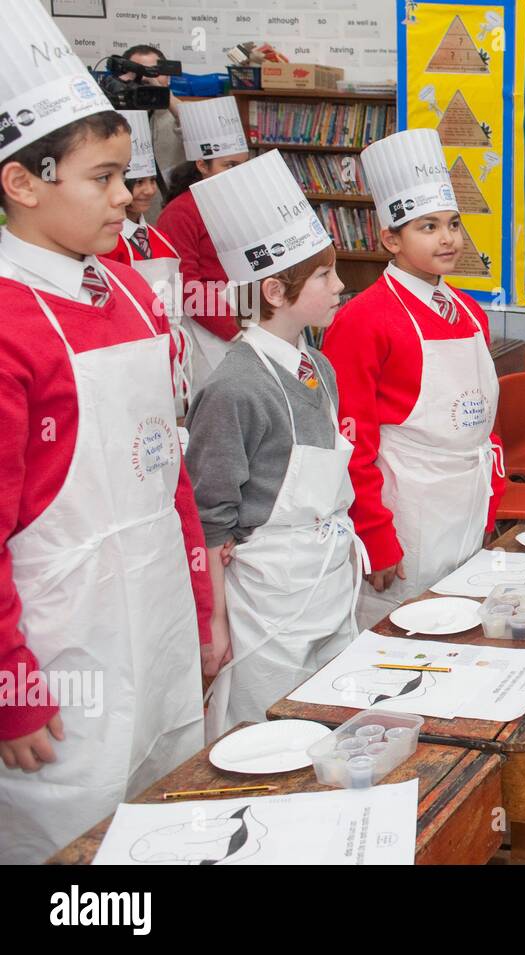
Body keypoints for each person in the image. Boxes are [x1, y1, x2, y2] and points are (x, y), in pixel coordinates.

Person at [0, 0, 211, 865]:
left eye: (127, 174)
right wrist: (11, 687)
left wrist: (202, 605)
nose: (128, 197)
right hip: (62, 648)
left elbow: (173, 470)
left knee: (166, 812)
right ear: (21, 182)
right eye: (102, 178)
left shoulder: (129, 293)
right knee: (75, 848)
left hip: (158, 617)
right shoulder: (8, 319)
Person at [185, 151, 363, 741]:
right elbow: (209, 515)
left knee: (332, 718)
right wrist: (214, 623)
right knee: (265, 734)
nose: (340, 286)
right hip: (268, 595)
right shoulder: (235, 387)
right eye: (323, 277)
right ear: (276, 290)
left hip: (328, 575)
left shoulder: (320, 364)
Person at [323, 129, 505, 629]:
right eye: (427, 227)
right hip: (408, 513)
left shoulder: (470, 311)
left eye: (453, 224)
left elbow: (487, 423)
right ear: (390, 239)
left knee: (467, 625)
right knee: (406, 634)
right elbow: (350, 441)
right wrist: (375, 535)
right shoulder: (363, 319)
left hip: (468, 500)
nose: (447, 238)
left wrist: (492, 495)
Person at [157, 96, 251, 394]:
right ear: (202, 164)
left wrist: (253, 324)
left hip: (246, 318)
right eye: (229, 165)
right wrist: (235, 331)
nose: (237, 174)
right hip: (204, 329)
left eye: (242, 166)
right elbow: (184, 284)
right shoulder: (179, 213)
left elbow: (249, 271)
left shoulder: (242, 206)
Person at [100, 110, 189, 415]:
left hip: (169, 345)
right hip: (130, 350)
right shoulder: (106, 244)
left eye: (152, 180)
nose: (148, 190)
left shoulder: (160, 238)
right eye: (137, 182)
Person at [116, 44, 187, 223]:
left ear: (168, 78)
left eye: (154, 71)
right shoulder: (112, 118)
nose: (146, 78)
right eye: (139, 71)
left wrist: (161, 92)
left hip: (169, 220)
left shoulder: (177, 114)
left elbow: (201, 129)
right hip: (123, 221)